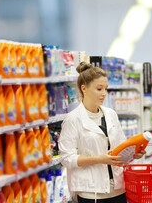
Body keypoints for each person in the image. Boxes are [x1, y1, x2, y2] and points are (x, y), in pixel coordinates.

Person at [58, 62, 146, 203]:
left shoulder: (111, 114)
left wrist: (132, 153)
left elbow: (120, 147)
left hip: (118, 190)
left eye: (106, 89)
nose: (104, 93)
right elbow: (67, 158)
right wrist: (99, 159)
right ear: (84, 88)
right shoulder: (73, 119)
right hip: (91, 193)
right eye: (99, 89)